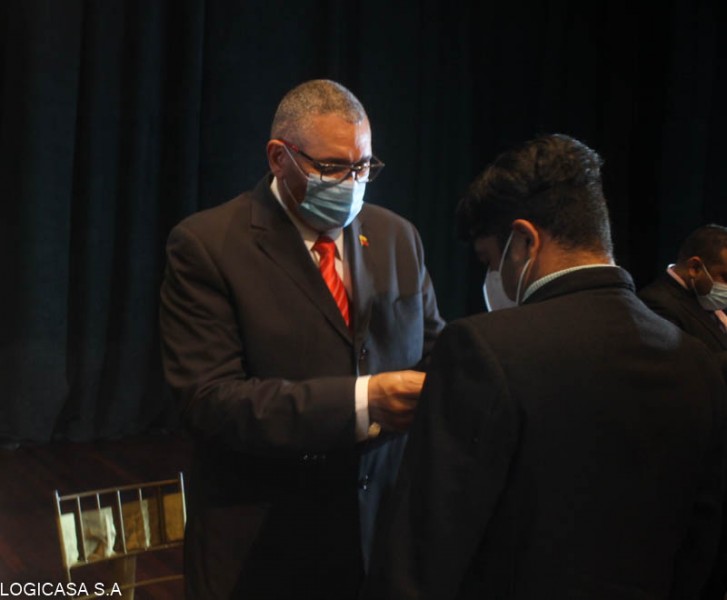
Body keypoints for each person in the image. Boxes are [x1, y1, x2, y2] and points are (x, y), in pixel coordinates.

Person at [363, 134, 727, 600]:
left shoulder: (483, 349)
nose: (491, 277)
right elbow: (701, 546)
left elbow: (422, 553)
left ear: (524, 241)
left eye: (488, 260)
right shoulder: (698, 363)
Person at [159, 79, 444, 599]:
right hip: (266, 543)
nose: (352, 184)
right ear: (279, 157)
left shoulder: (397, 236)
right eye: (333, 167)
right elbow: (210, 401)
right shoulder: (207, 245)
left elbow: (432, 352)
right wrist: (365, 400)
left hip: (379, 533)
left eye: (364, 167)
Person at [638, 224, 727, 380]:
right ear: (694, 267)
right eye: (726, 277)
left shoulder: (706, 295)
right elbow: (681, 369)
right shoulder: (655, 304)